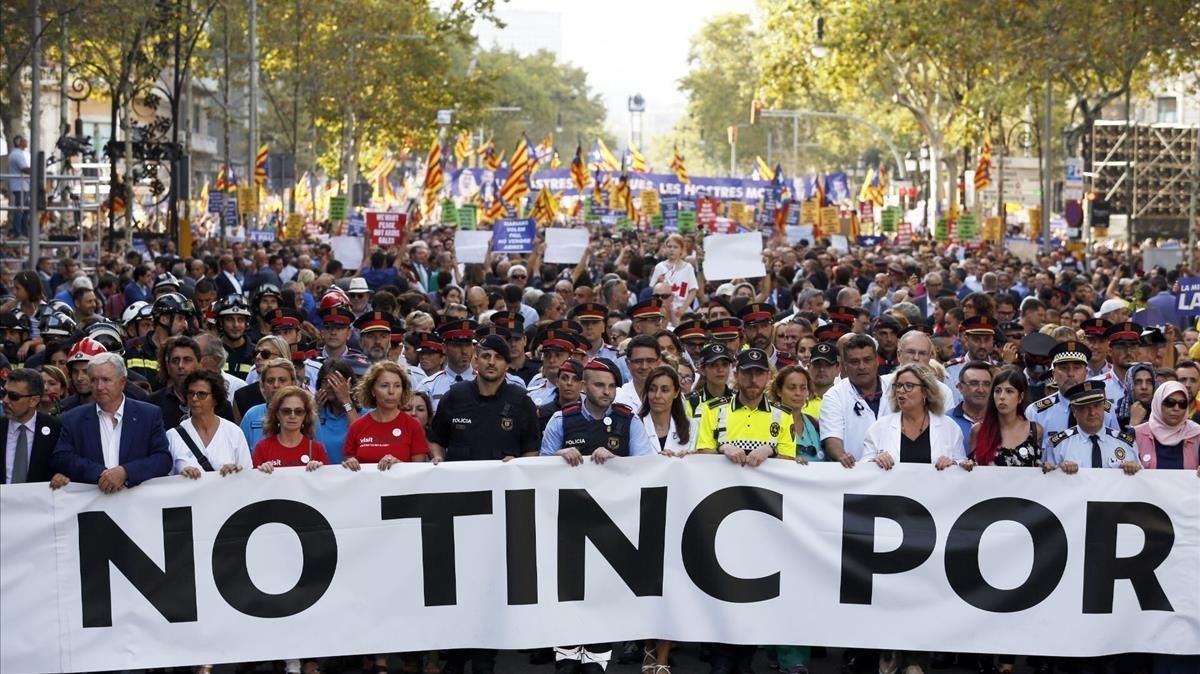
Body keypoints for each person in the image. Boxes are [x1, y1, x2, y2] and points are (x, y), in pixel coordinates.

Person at [50, 352, 172, 491]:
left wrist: (125, 472)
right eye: (94, 380)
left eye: (106, 380)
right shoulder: (73, 418)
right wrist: (101, 474)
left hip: (138, 506)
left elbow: (162, 459)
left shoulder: (148, 415)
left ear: (122, 382)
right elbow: (62, 458)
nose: (99, 386)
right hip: (94, 506)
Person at [428, 334, 540, 466]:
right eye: (486, 356)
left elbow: (532, 449)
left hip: (504, 483)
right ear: (475, 361)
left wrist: (519, 464)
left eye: (498, 357)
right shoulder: (455, 396)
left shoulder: (521, 401)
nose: (491, 362)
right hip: (460, 482)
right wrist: (439, 458)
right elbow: (436, 439)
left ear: (507, 365)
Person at [695, 347, 797, 464]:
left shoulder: (783, 415)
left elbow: (789, 461)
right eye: (747, 372)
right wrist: (722, 448)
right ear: (736, 375)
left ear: (769, 376)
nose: (753, 380)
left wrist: (771, 452)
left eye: (759, 373)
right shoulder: (712, 410)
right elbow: (702, 455)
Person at [1026, 340, 1119, 449]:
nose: (1070, 374)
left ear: (1086, 372)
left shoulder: (1104, 409)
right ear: (1054, 373)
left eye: (1077, 367)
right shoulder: (1036, 412)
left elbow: (1116, 448)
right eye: (1064, 368)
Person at [343, 361, 429, 470]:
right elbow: (347, 469)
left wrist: (399, 466)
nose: (391, 391)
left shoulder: (413, 426)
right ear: (373, 390)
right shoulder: (357, 427)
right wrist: (350, 463)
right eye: (385, 386)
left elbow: (420, 472)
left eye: (397, 386)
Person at [167, 370, 252, 478]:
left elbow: (248, 475)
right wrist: (182, 475)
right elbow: (164, 479)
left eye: (202, 394)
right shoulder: (173, 436)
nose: (194, 398)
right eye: (190, 393)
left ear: (215, 399)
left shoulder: (234, 432)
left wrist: (234, 471)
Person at [1043, 380, 1140, 475]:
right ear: (1074, 411)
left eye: (1097, 406)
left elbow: (1141, 482)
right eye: (1085, 408)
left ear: (1103, 406)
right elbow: (1048, 482)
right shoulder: (1058, 445)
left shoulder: (1125, 444)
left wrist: (1134, 469)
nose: (1092, 413)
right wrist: (1058, 471)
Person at [820, 334, 883, 466]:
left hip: (896, 474)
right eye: (855, 362)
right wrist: (841, 455)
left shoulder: (895, 388)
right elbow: (832, 438)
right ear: (844, 365)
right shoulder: (834, 395)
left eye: (867, 360)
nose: (861, 366)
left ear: (877, 361)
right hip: (853, 475)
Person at [972, 366, 1044, 468]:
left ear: (1020, 397)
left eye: (1009, 391)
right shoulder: (978, 430)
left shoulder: (1035, 430)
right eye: (997, 391)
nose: (1002, 397)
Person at [2, 368, 60, 483]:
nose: (5, 400)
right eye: (4, 393)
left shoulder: (55, 429)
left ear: (33, 400)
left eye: (14, 396)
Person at [252, 386, 327, 472]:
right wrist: (261, 471)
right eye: (286, 411)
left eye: (298, 411)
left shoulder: (317, 448)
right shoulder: (262, 448)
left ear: (305, 415)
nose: (292, 416)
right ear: (277, 414)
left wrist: (318, 471)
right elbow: (255, 483)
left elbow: (325, 483)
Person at [240, 358, 299, 451]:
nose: (276, 385)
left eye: (282, 380)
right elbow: (241, 453)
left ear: (293, 383)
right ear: (262, 386)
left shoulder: (305, 412)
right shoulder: (252, 415)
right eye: (270, 381)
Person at [770, 364, 823, 463]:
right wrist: (790, 462)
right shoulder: (768, 421)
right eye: (792, 387)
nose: (798, 393)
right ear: (779, 391)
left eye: (803, 388)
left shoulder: (815, 424)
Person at [638, 365, 693, 456]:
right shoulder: (635, 424)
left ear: (676, 393)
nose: (657, 395)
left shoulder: (692, 427)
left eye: (665, 390)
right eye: (652, 390)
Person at [313, 358, 359, 464]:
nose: (329, 386)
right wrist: (314, 411)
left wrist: (346, 400)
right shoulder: (317, 411)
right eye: (325, 381)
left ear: (349, 383)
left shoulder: (364, 413)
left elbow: (359, 436)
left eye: (335, 381)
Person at [234, 335, 291, 419]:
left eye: (265, 354)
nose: (258, 357)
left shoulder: (302, 396)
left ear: (282, 358)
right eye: (255, 353)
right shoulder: (242, 396)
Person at [649, 234, 698, 325]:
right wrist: (658, 282)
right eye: (669, 246)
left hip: (681, 308)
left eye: (675, 247)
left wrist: (684, 308)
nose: (672, 249)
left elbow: (693, 291)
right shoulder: (660, 267)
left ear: (681, 250)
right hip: (663, 309)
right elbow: (652, 289)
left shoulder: (688, 268)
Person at [949, 361, 993, 458]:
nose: (981, 389)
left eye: (986, 384)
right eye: (974, 383)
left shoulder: (1001, 420)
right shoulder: (946, 421)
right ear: (960, 387)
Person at [1116, 362, 1156, 428]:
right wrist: (1133, 423)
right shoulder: (1119, 413)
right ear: (1130, 386)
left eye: (1149, 382)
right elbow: (1118, 438)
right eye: (1138, 382)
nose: (1144, 387)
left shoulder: (1162, 411)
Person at [6, 134, 31, 238]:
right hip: (20, 186)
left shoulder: (18, 153)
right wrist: (36, 170)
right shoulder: (17, 154)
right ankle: (18, 231)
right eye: (24, 140)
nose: (27, 141)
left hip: (22, 186)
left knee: (25, 210)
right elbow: (24, 168)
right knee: (20, 209)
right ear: (19, 142)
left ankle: (24, 231)